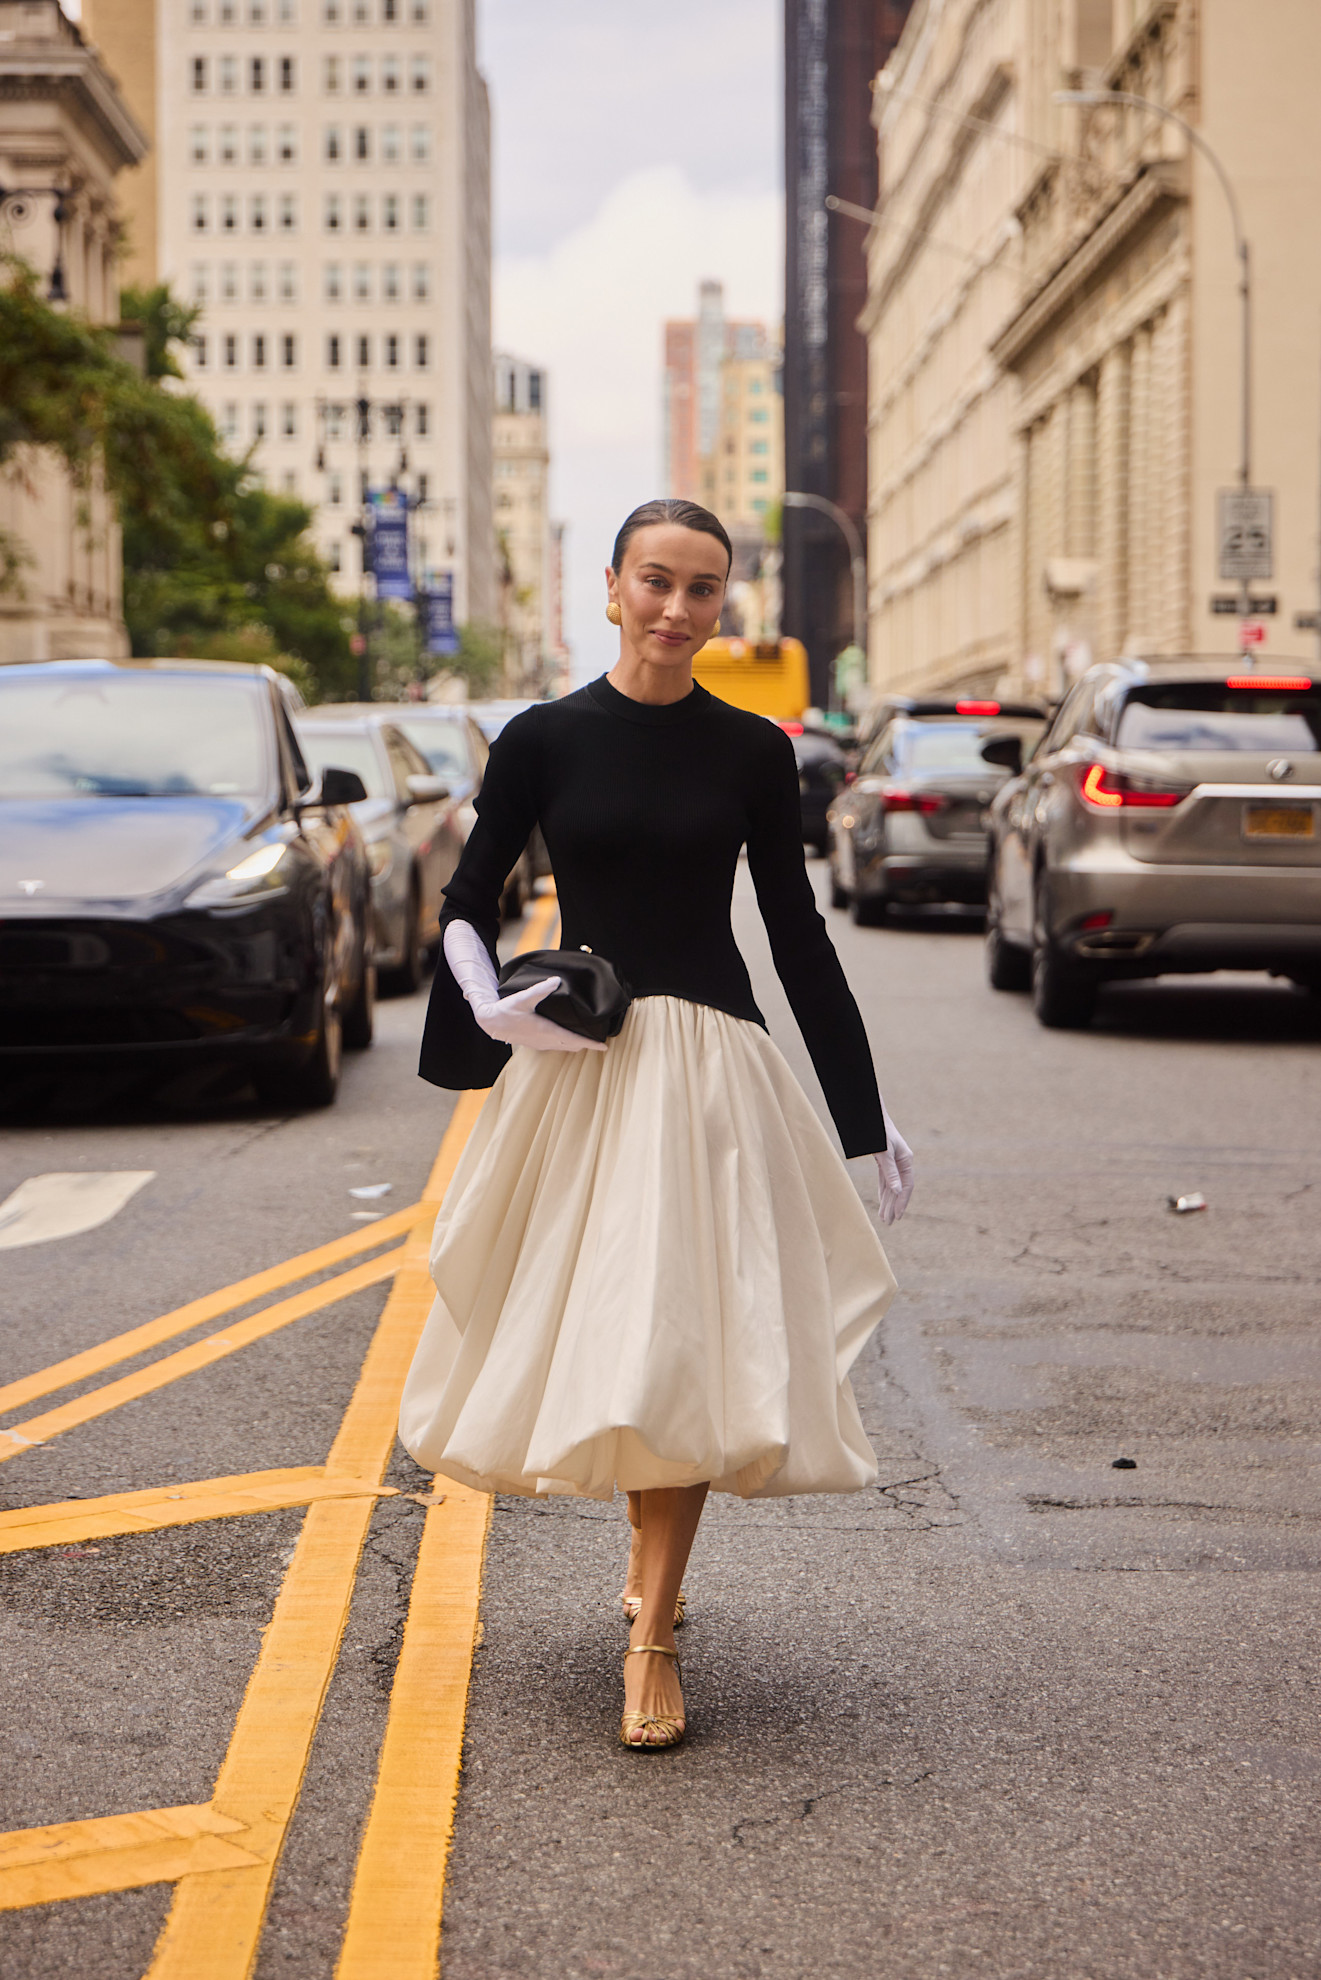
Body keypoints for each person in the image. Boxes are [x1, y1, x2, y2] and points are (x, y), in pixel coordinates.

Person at [401, 498, 914, 1750]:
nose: (678, 609)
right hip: (579, 1075)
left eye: (702, 590)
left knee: (676, 1340)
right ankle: (651, 1562)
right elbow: (468, 900)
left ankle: (654, 1633)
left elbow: (795, 939)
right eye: (656, 583)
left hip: (707, 1078)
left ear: (722, 606)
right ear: (614, 592)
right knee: (618, 1340)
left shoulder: (751, 749)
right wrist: (491, 1007)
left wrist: (862, 1116)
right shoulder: (542, 738)